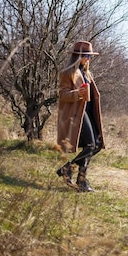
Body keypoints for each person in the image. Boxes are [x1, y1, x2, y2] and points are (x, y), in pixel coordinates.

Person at [56, 40, 104, 192]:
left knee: (96, 145)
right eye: (87, 56)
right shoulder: (68, 72)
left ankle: (68, 170)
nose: (89, 59)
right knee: (90, 145)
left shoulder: (87, 73)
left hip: (89, 112)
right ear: (79, 56)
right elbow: (63, 95)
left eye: (90, 56)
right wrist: (78, 93)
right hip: (77, 113)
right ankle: (81, 182)